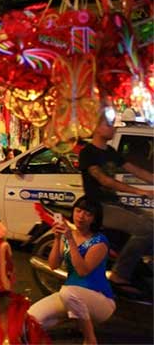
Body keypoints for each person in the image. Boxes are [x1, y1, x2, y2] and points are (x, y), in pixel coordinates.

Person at [78, 110, 154, 294]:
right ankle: (120, 274)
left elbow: (135, 170)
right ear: (95, 128)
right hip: (98, 207)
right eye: (108, 124)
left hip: (115, 203)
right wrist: (139, 191)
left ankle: (146, 267)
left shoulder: (110, 152)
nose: (113, 127)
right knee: (145, 229)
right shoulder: (88, 153)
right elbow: (104, 180)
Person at [28, 200, 115, 345]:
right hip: (72, 297)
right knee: (30, 319)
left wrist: (70, 239)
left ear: (95, 219)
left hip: (101, 301)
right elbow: (53, 265)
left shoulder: (99, 242)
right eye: (78, 211)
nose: (81, 216)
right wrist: (57, 239)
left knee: (68, 293)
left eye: (88, 214)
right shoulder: (67, 236)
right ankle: (73, 318)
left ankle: (90, 338)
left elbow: (82, 271)